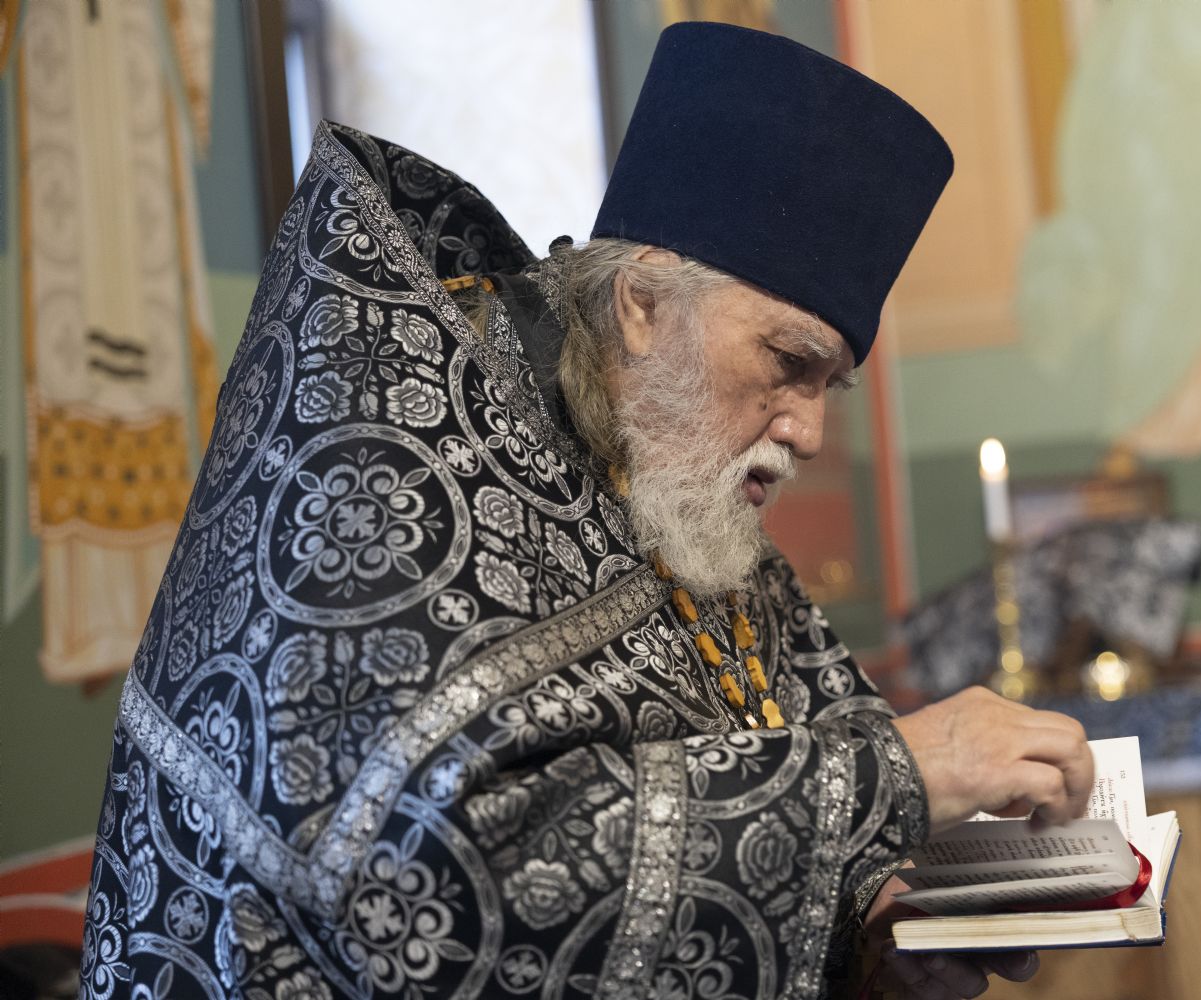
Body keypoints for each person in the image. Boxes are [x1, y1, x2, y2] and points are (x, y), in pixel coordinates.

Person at [79, 22, 1092, 1000]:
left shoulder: (671, 481)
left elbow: (782, 752)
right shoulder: (385, 457)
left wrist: (865, 930)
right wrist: (896, 775)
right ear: (643, 305)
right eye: (789, 362)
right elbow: (422, 894)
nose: (811, 432)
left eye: (831, 384)